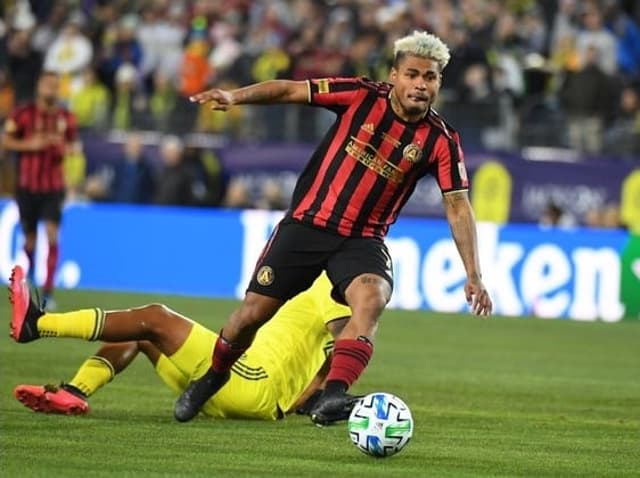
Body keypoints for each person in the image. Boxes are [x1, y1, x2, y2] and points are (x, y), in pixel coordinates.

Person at [179, 30, 493, 426]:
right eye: (412, 74)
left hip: (362, 239)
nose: (420, 84)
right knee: (250, 316)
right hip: (308, 225)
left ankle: (332, 396)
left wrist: (474, 274)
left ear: (438, 83)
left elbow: (458, 205)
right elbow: (290, 92)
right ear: (394, 75)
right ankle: (214, 375)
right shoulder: (360, 95)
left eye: (429, 78)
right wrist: (234, 96)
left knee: (372, 299)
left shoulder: (442, 140)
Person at [9, 265, 360, 421]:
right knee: (141, 331)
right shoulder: (314, 277)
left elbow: (346, 336)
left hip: (249, 380)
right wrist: (305, 401)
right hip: (240, 392)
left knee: (156, 317)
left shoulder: (333, 282)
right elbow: (328, 361)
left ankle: (38, 325)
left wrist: (328, 395)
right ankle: (75, 391)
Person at [1, 70, 81, 308]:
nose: (51, 90)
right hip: (26, 186)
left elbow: (75, 146)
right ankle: (33, 281)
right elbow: (5, 140)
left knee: (52, 234)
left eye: (55, 86)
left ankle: (48, 291)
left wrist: (66, 148)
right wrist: (30, 144)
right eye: (48, 85)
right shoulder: (22, 113)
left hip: (53, 186)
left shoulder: (66, 117)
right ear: (39, 86)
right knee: (30, 241)